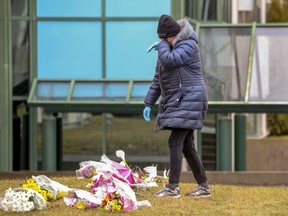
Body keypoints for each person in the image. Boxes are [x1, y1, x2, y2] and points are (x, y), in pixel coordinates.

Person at [143, 14, 211, 198]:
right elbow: (158, 79)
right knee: (187, 146)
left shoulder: (189, 44)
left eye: (165, 38)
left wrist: (163, 45)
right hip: (181, 101)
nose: (163, 41)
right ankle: (203, 186)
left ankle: (172, 187)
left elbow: (172, 60)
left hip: (191, 100)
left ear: (173, 35)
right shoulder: (166, 50)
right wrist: (149, 102)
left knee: (175, 142)